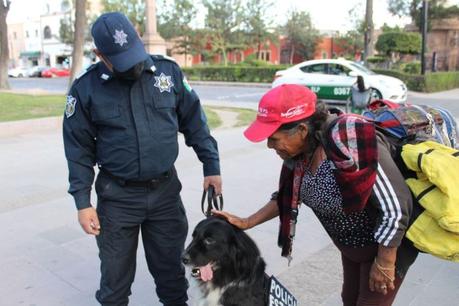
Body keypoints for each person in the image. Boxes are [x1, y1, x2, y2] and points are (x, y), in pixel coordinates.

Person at [63, 12, 222, 306]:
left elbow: (195, 122)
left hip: (165, 194)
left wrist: (211, 166)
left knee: (172, 278)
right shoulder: (86, 89)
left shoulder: (167, 73)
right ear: (100, 54)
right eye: (119, 59)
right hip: (117, 199)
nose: (132, 64)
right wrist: (82, 202)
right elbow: (78, 150)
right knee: (114, 284)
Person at [213, 84, 418, 306]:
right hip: (352, 247)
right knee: (349, 300)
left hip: (384, 247)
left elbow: (396, 205)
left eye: (274, 138)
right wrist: (246, 222)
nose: (269, 145)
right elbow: (287, 195)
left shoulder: (349, 140)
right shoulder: (301, 154)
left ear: (301, 130)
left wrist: (385, 261)